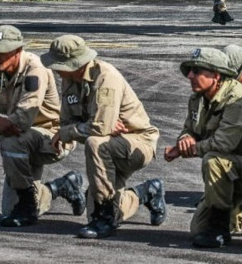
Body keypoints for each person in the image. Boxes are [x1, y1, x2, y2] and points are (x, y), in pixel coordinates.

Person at [0, 25, 85, 228]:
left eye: (2, 52)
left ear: (17, 51)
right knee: (8, 211)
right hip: (20, 139)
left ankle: (26, 206)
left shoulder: (35, 70)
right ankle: (60, 187)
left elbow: (22, 120)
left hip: (51, 137)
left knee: (12, 141)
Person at [44, 35, 166, 239]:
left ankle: (105, 215)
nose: (55, 70)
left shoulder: (105, 77)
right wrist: (93, 126)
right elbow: (67, 122)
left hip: (136, 141)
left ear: (76, 64)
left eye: (60, 65)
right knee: (93, 211)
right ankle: (146, 192)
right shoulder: (69, 80)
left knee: (95, 143)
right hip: (109, 145)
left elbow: (96, 128)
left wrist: (80, 130)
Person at [164, 47, 242, 249]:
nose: (190, 75)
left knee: (213, 159)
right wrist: (185, 139)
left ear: (216, 75)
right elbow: (189, 128)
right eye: (190, 70)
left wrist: (186, 150)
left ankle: (220, 230)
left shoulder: (236, 99)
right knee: (197, 229)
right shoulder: (197, 98)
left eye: (197, 71)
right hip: (227, 171)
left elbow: (224, 145)